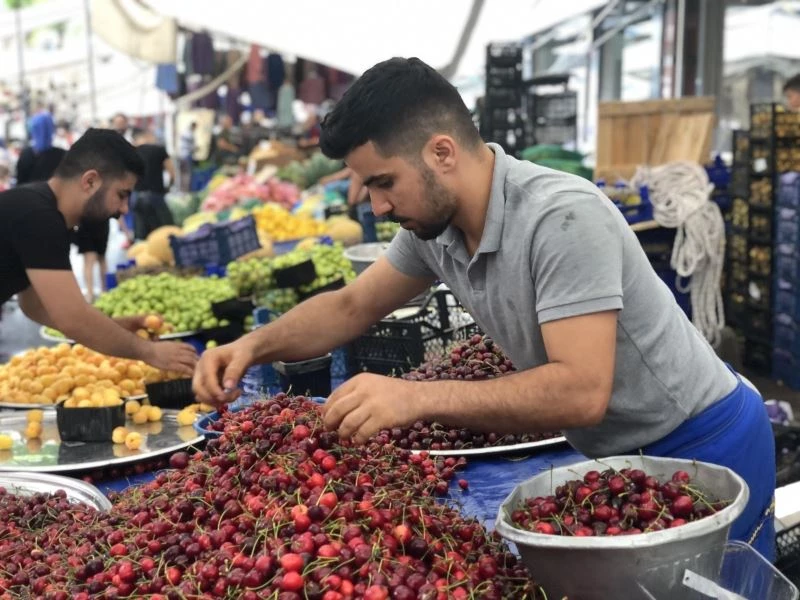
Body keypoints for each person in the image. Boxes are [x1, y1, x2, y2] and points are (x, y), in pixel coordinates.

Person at [192, 57, 776, 558]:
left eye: (384, 182)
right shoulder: (434, 229)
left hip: (700, 445)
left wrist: (415, 398)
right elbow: (349, 307)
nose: (376, 206)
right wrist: (251, 346)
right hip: (617, 457)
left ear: (442, 152)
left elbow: (581, 392)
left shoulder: (561, 218)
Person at [0, 128, 197, 374]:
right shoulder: (40, 217)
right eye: (122, 195)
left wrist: (114, 328)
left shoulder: (39, 209)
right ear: (90, 181)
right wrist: (149, 351)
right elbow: (73, 318)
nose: (125, 209)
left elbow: (35, 305)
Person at [132, 129, 175, 239]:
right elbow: (172, 173)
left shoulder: (131, 152)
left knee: (141, 236)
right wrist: (168, 187)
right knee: (166, 233)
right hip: (155, 195)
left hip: (136, 197)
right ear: (148, 135)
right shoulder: (159, 150)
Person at [178, 122, 196, 192]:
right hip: (187, 155)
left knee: (182, 173)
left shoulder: (184, 132)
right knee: (187, 173)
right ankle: (186, 190)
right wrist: (195, 148)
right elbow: (190, 146)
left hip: (181, 155)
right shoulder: (190, 134)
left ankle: (182, 189)